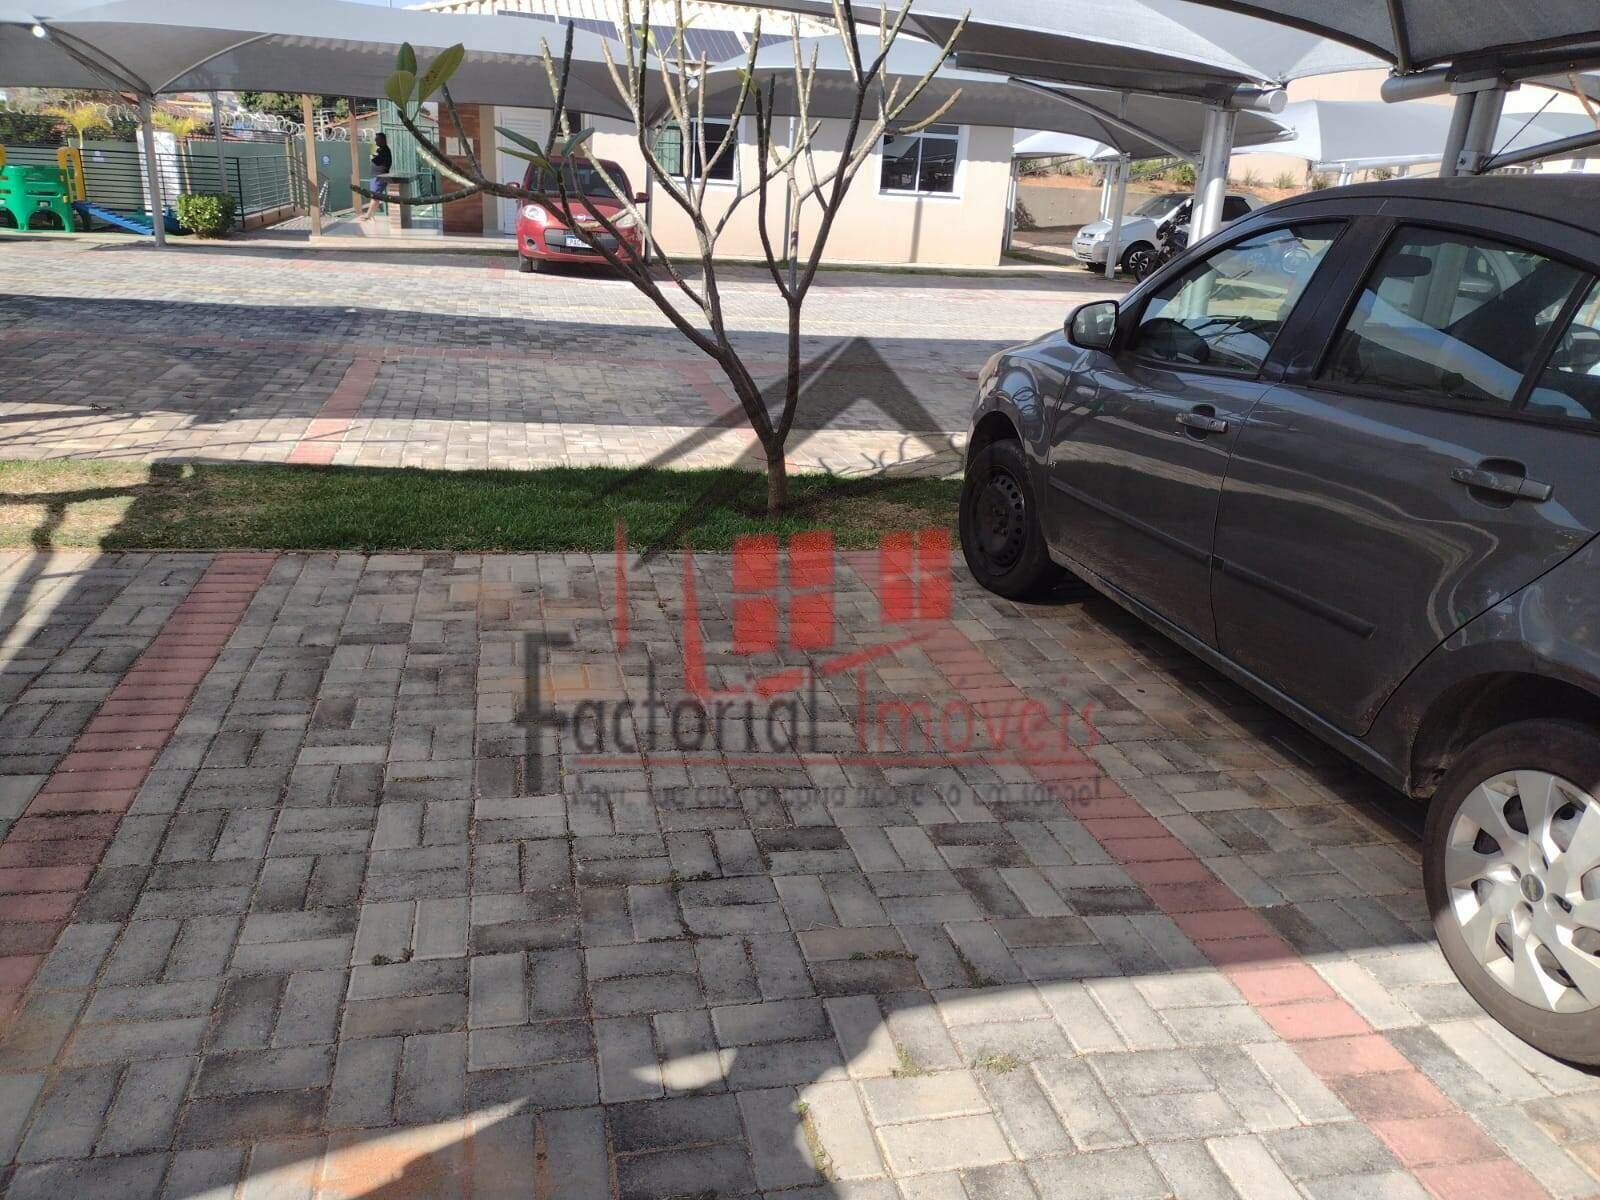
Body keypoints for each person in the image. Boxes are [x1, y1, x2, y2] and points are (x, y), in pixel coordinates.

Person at [360, 132, 393, 221]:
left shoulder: (384, 150)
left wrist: (372, 156)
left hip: (379, 176)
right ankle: (372, 215)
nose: (375, 141)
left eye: (377, 139)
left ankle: (368, 215)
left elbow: (376, 161)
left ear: (383, 140)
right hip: (376, 176)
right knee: (376, 196)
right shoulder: (382, 150)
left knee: (374, 196)